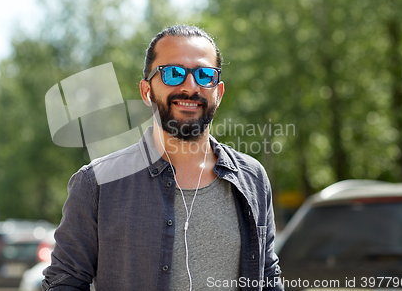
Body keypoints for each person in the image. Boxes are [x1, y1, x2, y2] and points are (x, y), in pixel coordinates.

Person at [42, 25, 283, 291]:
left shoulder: (252, 177)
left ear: (219, 92)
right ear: (146, 92)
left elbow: (268, 276)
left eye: (205, 75)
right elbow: (64, 281)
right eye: (174, 73)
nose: (190, 87)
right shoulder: (96, 184)